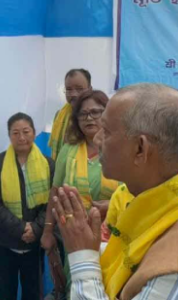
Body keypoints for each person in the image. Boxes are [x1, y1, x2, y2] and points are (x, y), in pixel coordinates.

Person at [53, 83, 178, 300]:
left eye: (106, 131)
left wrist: (83, 256)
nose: (97, 139)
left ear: (140, 149)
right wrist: (96, 246)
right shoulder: (146, 195)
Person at [41, 90, 122, 294]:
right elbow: (55, 192)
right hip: (74, 237)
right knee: (77, 287)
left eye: (96, 112)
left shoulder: (121, 150)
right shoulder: (69, 150)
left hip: (114, 238)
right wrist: (48, 231)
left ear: (107, 114)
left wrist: (111, 206)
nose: (89, 118)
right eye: (83, 114)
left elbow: (136, 194)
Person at [0, 113, 56, 300]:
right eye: (15, 133)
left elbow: (52, 201)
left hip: (34, 243)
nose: (21, 137)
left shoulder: (48, 165)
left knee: (32, 293)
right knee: (5, 292)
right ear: (9, 136)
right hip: (3, 242)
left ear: (33, 133)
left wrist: (36, 228)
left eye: (26, 131)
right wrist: (21, 228)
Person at [49, 69, 93, 161]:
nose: (73, 94)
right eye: (69, 89)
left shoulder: (96, 116)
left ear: (90, 90)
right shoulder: (59, 115)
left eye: (79, 89)